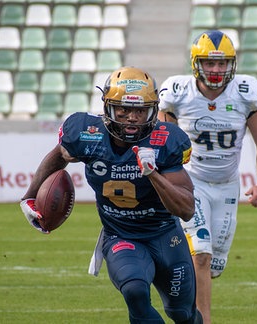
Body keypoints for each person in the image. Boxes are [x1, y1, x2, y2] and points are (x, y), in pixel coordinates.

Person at [20, 66, 203, 324]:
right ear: (108, 107)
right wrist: (29, 195)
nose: (130, 118)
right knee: (135, 290)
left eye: (139, 111)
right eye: (123, 109)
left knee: (182, 313)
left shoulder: (166, 140)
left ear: (152, 111)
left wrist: (153, 175)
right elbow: (61, 153)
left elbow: (186, 209)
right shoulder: (86, 134)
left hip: (165, 236)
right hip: (121, 235)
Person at [157, 29, 257, 324]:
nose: (216, 70)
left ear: (232, 64)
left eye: (222, 63)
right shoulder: (178, 93)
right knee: (202, 255)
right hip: (190, 183)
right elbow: (161, 138)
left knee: (212, 265)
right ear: (196, 63)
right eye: (210, 63)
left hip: (226, 186)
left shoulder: (246, 92)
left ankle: (183, 285)